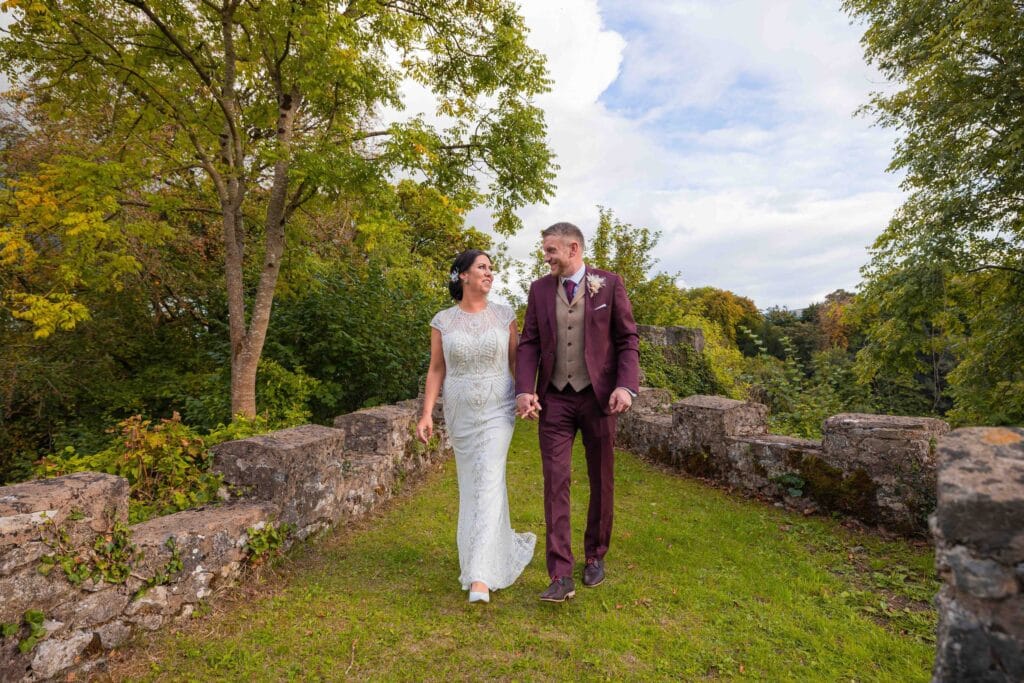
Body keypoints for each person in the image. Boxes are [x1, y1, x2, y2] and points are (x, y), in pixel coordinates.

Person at [515, 222, 640, 603]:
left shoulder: (610, 284)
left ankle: (595, 555)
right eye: (545, 251)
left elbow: (627, 339)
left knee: (601, 478)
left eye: (551, 250)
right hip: (555, 399)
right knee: (555, 481)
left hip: (598, 398)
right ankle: (560, 573)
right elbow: (529, 342)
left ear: (573, 249)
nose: (546, 257)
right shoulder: (539, 290)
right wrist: (525, 389)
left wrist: (625, 386)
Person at [417, 249, 536, 604]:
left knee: (488, 478)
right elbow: (437, 368)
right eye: (482, 267)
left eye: (491, 268)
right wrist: (426, 413)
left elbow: (516, 362)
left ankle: (480, 576)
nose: (489, 273)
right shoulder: (442, 321)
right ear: (462, 275)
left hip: (498, 408)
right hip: (460, 411)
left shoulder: (504, 315)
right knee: (473, 485)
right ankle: (487, 551)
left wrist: (527, 394)